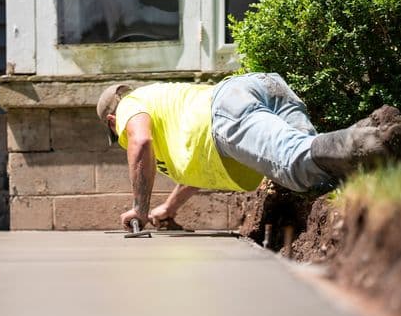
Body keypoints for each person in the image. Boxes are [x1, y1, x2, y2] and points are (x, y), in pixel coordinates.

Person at [95, 73, 401, 231]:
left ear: (112, 121)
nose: (122, 134)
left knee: (296, 165)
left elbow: (141, 143)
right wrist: (169, 208)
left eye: (117, 132)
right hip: (257, 88)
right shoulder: (166, 106)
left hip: (226, 112)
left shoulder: (129, 108)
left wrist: (141, 209)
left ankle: (380, 140)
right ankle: (376, 127)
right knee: (317, 172)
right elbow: (199, 166)